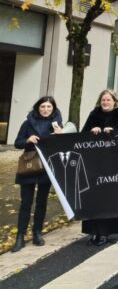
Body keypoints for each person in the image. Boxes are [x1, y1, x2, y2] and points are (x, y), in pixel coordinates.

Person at [81, 89, 118, 245]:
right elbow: (82, 134)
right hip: (95, 162)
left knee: (109, 198)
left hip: (114, 162)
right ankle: (93, 231)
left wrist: (115, 132)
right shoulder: (94, 114)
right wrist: (92, 131)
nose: (105, 103)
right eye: (103, 100)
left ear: (114, 101)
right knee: (93, 197)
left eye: (108, 100)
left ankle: (105, 232)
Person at [12, 96, 64, 252]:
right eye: (43, 106)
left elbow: (62, 147)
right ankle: (20, 236)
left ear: (53, 109)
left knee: (41, 202)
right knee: (26, 203)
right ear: (37, 108)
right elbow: (17, 143)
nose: (46, 109)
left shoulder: (56, 125)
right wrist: (28, 140)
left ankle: (37, 233)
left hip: (47, 168)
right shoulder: (27, 123)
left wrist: (61, 135)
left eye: (49, 107)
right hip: (29, 166)